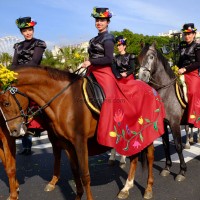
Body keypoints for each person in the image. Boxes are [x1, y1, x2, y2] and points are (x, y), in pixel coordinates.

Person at [81, 7, 165, 156]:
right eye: (97, 20)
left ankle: (112, 132)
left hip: (103, 73)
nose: (99, 22)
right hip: (91, 71)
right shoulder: (93, 40)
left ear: (107, 22)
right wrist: (89, 64)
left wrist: (91, 61)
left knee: (109, 100)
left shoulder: (109, 38)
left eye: (102, 20)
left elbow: (108, 59)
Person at [12, 16, 47, 155]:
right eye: (25, 30)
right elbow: (14, 63)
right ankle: (26, 145)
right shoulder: (18, 46)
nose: (28, 32)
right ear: (21, 32)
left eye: (30, 30)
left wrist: (20, 73)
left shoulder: (39, 43)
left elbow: (34, 62)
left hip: (34, 77)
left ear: (33, 30)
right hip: (20, 78)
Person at [178, 23, 200, 128]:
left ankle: (193, 118)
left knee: (192, 92)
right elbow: (179, 61)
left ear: (194, 34)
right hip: (181, 72)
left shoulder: (197, 46)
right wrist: (175, 68)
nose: (187, 36)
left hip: (193, 73)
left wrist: (185, 69)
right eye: (185, 34)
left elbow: (198, 62)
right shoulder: (182, 46)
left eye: (189, 34)